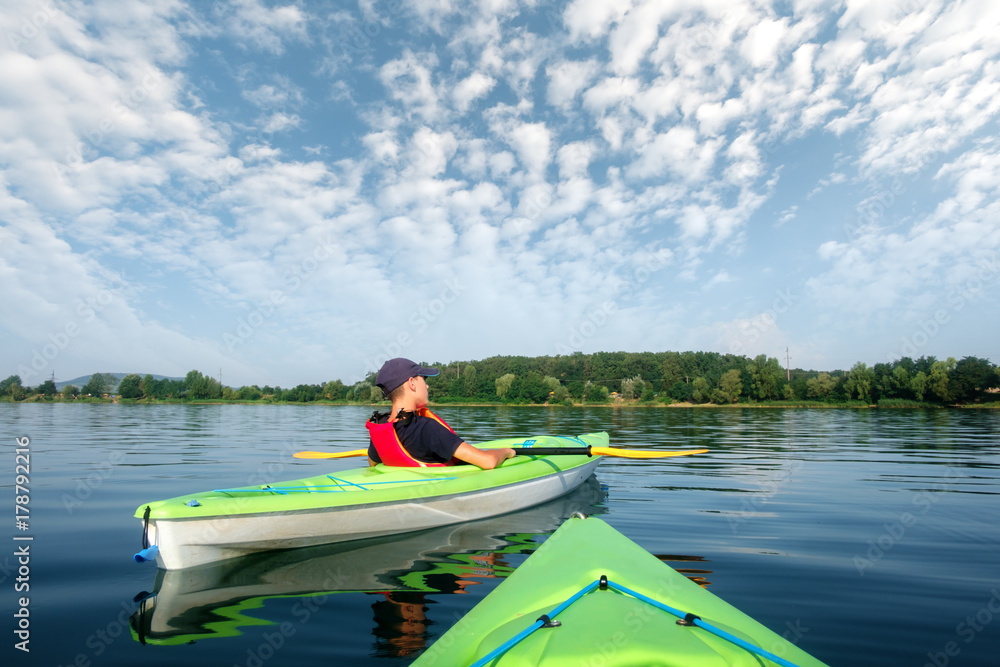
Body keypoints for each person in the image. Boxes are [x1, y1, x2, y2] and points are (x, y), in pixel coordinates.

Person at [366, 358, 514, 469]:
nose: (427, 385)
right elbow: (488, 461)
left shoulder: (381, 428)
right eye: (424, 380)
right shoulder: (427, 428)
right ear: (412, 383)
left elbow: (373, 463)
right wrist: (506, 452)